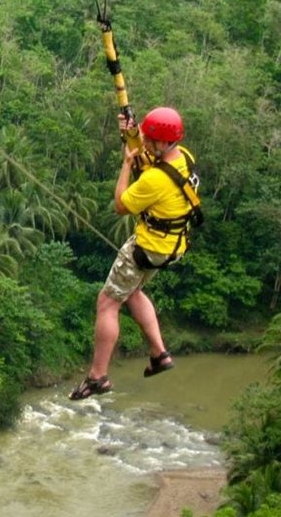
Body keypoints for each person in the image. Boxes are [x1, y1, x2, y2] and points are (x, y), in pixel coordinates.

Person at [69, 106, 200, 400]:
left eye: (152, 139)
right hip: (170, 247)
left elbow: (121, 205)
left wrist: (127, 164)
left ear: (164, 142)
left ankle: (97, 376)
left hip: (145, 247)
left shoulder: (154, 181)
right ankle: (159, 353)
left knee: (107, 302)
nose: (148, 143)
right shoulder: (184, 158)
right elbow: (152, 156)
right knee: (132, 292)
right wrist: (132, 132)